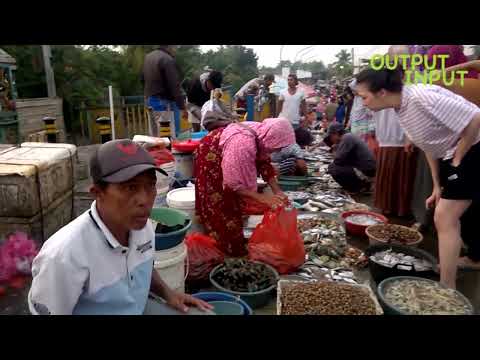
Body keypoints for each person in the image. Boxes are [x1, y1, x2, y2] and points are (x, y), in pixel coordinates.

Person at [28, 139, 212, 315]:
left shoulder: (143, 227)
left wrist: (169, 294)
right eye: (130, 188)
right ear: (97, 193)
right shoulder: (63, 257)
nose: (145, 200)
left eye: (150, 186)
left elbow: (143, 264)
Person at [355, 67, 480, 289]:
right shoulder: (400, 108)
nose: (363, 103)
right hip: (449, 155)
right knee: (462, 212)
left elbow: (475, 117)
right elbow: (429, 144)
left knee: (444, 218)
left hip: (473, 149)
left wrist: (459, 157)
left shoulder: (422, 97)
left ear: (382, 92)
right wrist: (436, 185)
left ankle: (446, 288)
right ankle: (472, 259)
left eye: (364, 97)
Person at [194, 118, 295, 257]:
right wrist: (263, 199)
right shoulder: (242, 144)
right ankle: (226, 252)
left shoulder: (261, 132)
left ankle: (232, 242)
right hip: (212, 159)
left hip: (227, 153)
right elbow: (232, 184)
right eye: (278, 146)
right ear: (272, 137)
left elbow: (264, 163)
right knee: (221, 207)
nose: (278, 150)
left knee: (235, 206)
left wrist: (277, 191)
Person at [374, 45, 418, 217]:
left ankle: (402, 211)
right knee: (390, 173)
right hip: (387, 134)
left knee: (404, 176)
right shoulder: (381, 79)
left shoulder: (412, 79)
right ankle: (390, 209)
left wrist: (410, 135)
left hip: (405, 134)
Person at [142, 45, 186, 138]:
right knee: (169, 135)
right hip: (165, 102)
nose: (175, 50)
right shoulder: (167, 59)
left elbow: (142, 79)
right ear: (169, 47)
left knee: (155, 136)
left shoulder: (148, 57)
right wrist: (182, 107)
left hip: (150, 100)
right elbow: (174, 85)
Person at [323, 123, 376, 193]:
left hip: (366, 171)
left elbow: (338, 160)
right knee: (336, 167)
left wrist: (335, 150)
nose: (331, 140)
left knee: (333, 168)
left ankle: (359, 187)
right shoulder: (349, 136)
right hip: (367, 169)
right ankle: (363, 185)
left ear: (335, 134)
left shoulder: (347, 138)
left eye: (330, 137)